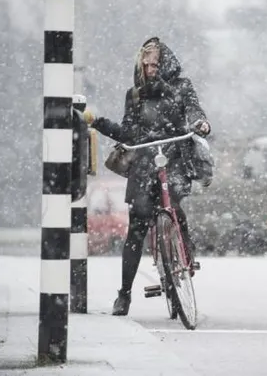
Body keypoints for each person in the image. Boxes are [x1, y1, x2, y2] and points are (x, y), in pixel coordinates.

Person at [83, 37, 211, 316]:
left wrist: (200, 123)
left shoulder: (181, 87)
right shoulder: (135, 94)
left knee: (174, 207)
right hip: (144, 162)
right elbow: (129, 132)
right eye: (146, 64)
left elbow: (192, 110)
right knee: (137, 227)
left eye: (156, 63)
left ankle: (184, 253)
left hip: (174, 157)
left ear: (166, 63)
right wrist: (99, 123)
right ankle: (124, 294)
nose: (151, 68)